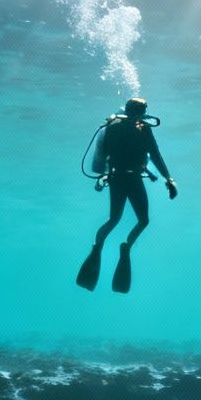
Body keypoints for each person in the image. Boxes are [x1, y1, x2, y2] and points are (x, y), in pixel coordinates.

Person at [76, 96, 177, 293]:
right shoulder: (143, 129)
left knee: (114, 219)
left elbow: (100, 161)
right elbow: (155, 156)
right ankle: (125, 247)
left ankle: (98, 246)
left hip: (117, 179)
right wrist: (168, 180)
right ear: (143, 112)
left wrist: (103, 178)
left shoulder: (111, 126)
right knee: (142, 220)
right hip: (132, 180)